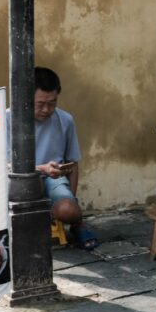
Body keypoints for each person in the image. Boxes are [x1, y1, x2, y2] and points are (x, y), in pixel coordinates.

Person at [32, 66, 99, 251]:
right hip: (22, 181)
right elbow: (5, 166)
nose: (46, 109)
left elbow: (73, 163)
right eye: (40, 104)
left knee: (69, 210)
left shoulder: (65, 120)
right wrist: (42, 169)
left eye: (52, 103)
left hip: (54, 179)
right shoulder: (8, 119)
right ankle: (43, 217)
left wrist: (72, 199)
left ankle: (77, 224)